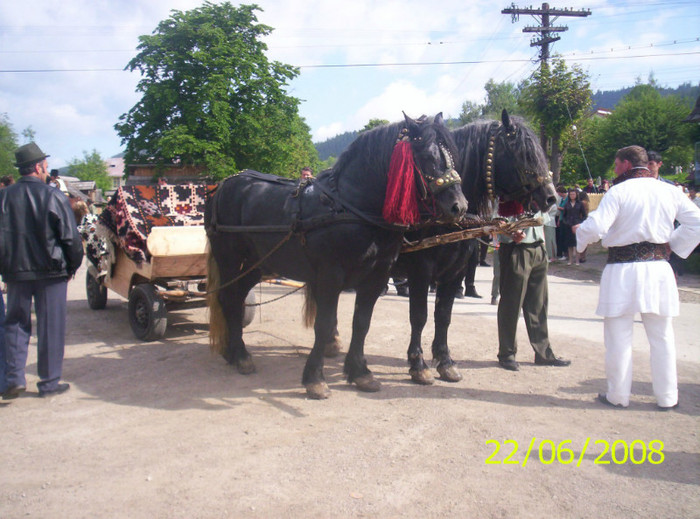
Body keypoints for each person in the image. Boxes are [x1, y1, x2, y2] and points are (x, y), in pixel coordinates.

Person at [574, 145, 700, 410]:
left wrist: (581, 237)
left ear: (628, 165)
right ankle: (668, 397)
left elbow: (597, 226)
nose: (614, 169)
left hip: (621, 270)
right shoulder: (670, 191)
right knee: (662, 336)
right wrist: (673, 246)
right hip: (658, 268)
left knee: (618, 337)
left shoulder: (618, 192)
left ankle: (618, 395)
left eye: (617, 164)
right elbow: (697, 222)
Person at [0, 142, 84, 399]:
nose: (47, 170)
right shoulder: (53, 196)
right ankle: (48, 383)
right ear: (38, 167)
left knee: (14, 324)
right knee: (51, 326)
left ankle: (13, 379)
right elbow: (70, 239)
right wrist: (71, 266)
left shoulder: (4, 197)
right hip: (51, 273)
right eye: (45, 166)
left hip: (15, 273)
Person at [496, 201, 571, 371]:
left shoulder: (538, 191)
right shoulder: (506, 190)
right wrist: (509, 232)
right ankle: (507, 354)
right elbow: (495, 218)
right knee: (511, 304)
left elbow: (547, 213)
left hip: (538, 247)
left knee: (538, 304)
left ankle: (543, 353)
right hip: (515, 248)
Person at [561, 188, 586, 265]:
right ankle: (570, 260)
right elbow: (564, 215)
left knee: (577, 243)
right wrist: (566, 222)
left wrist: (580, 223)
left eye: (573, 194)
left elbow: (584, 215)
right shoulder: (567, 204)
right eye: (571, 194)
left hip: (577, 225)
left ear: (576, 195)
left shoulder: (580, 204)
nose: (572, 196)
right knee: (569, 244)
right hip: (568, 225)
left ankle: (577, 260)